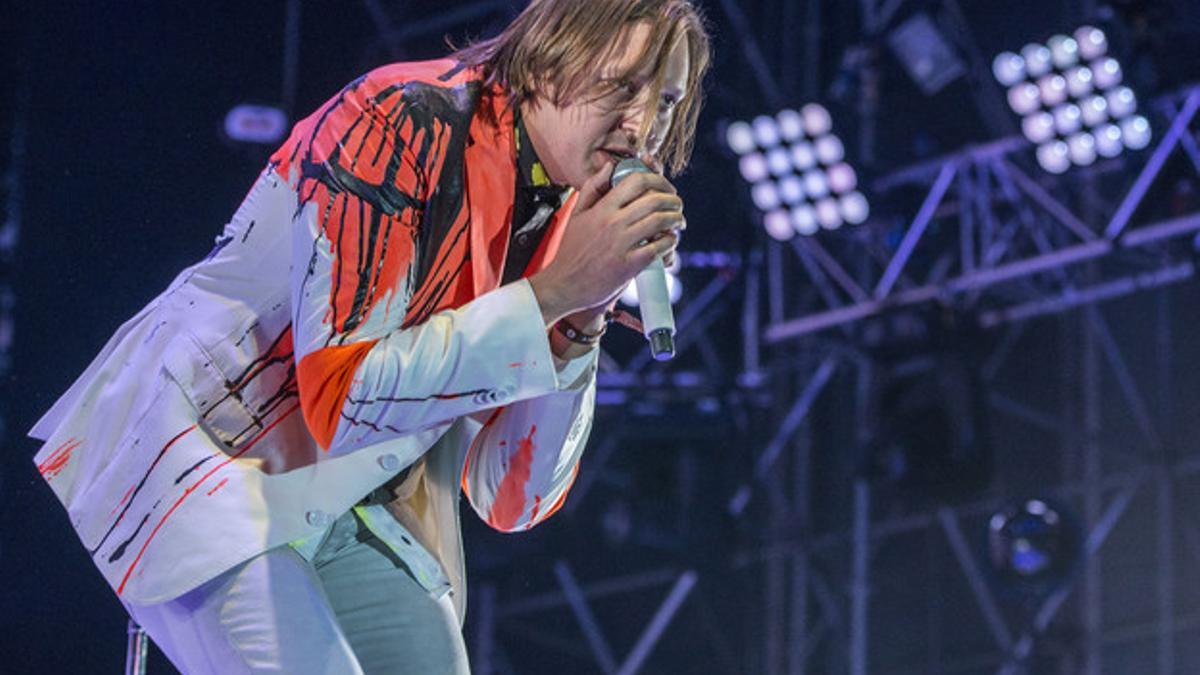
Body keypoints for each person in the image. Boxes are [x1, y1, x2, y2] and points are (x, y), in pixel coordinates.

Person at [29, 0, 710, 672]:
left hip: (350, 495)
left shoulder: (570, 215)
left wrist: (581, 317)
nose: (644, 124)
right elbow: (342, 397)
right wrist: (556, 291)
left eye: (669, 100)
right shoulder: (399, 119)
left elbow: (514, 500)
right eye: (624, 86)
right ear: (551, 56)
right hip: (211, 452)